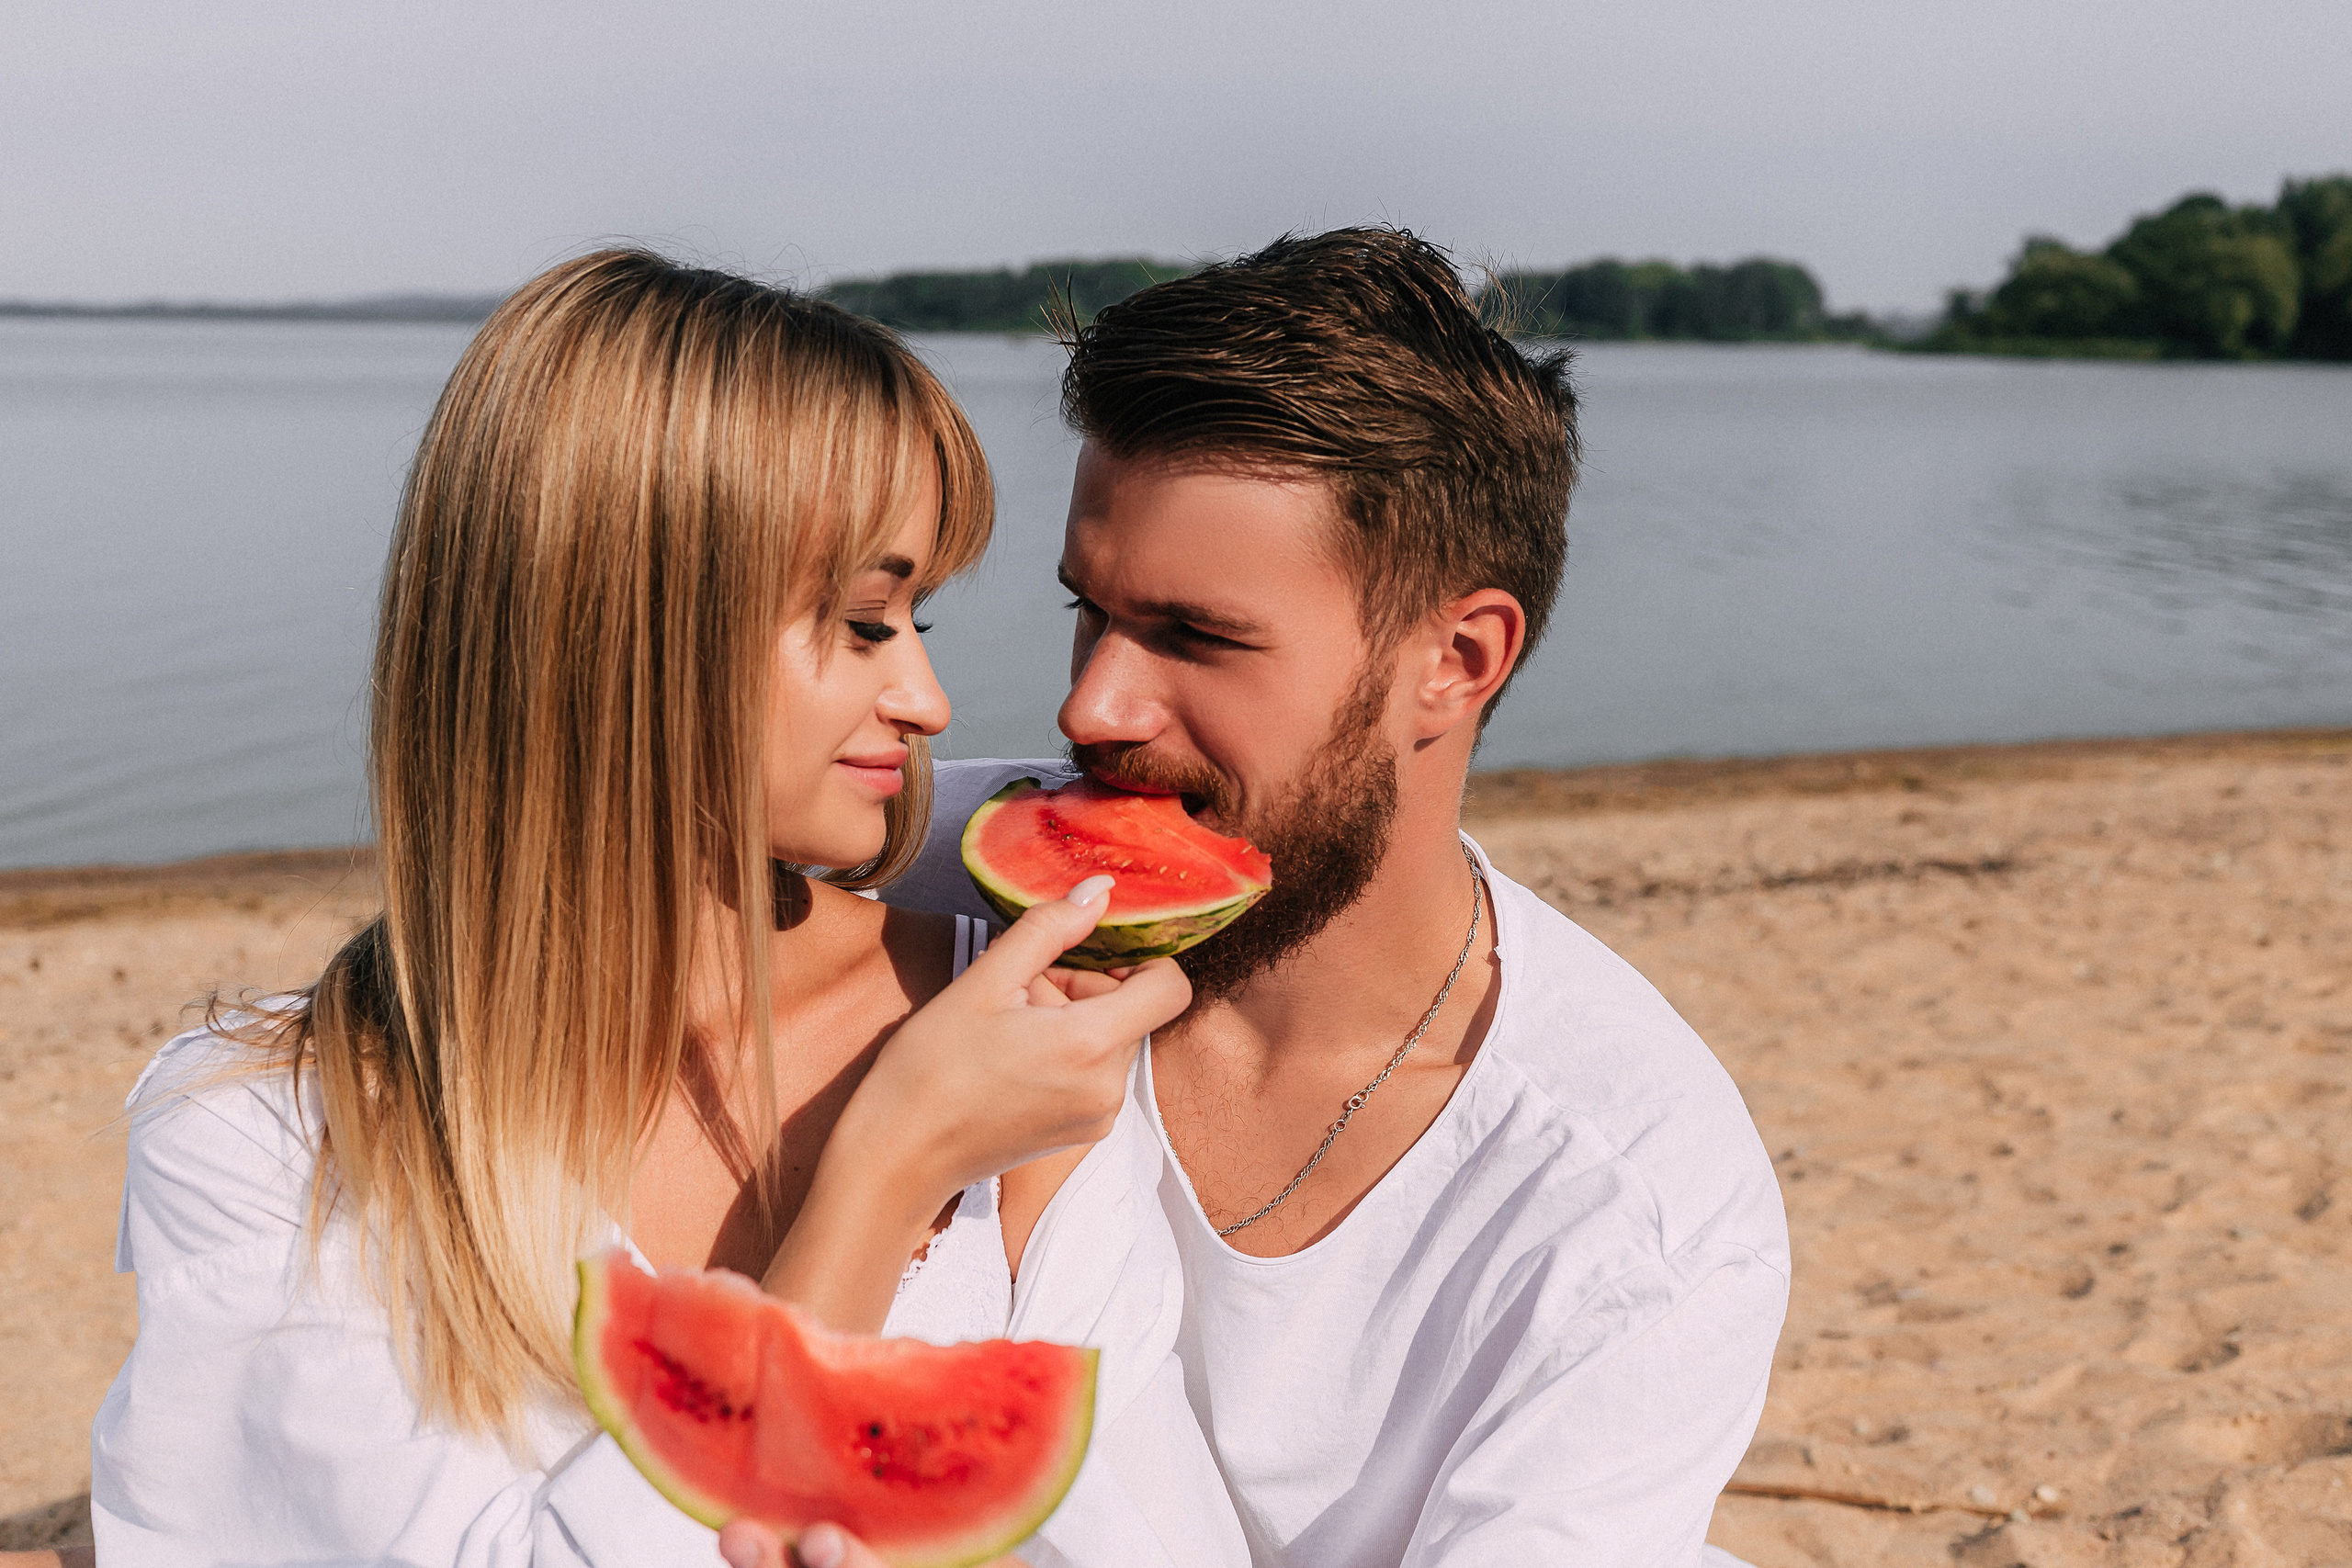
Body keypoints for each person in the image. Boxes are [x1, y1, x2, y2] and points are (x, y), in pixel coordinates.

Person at [73, 252, 1250, 1568]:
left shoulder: (1023, 1044)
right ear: (628, 630)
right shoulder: (272, 1133)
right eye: (865, 621)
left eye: (921, 618)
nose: (928, 701)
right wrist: (886, 1171)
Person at [863, 229, 1792, 1567]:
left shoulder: (1626, 1208)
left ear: (1457, 661)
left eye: (1196, 637)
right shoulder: (907, 865)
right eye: (1090, 612)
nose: (1092, 705)